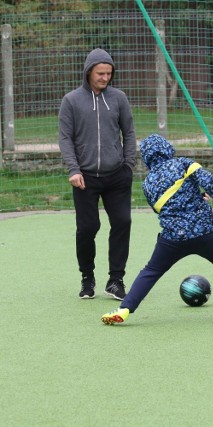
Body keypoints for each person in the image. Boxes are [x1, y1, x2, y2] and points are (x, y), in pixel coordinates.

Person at [101, 134, 213, 325]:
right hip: (205, 232)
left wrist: (192, 200)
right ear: (167, 148)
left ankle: (124, 309)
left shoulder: (147, 183)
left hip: (172, 238)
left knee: (151, 271)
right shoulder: (184, 164)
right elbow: (209, 182)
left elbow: (162, 208)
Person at [58, 48, 136, 301]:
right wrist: (73, 169)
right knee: (88, 228)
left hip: (117, 175)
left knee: (123, 222)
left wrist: (129, 165)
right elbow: (65, 138)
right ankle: (87, 277)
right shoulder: (71, 100)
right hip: (85, 178)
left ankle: (116, 280)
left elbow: (130, 133)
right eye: (100, 73)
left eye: (109, 73)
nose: (105, 78)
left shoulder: (119, 98)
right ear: (88, 71)